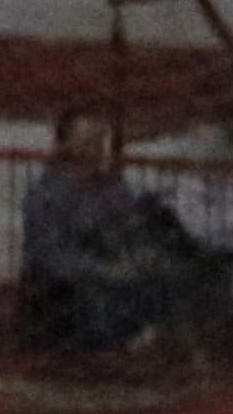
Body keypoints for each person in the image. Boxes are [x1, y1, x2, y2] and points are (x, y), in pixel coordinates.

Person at [14, 109, 211, 360]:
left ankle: (168, 341)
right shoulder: (45, 194)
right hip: (63, 285)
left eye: (98, 140)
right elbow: (50, 255)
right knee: (101, 289)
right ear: (64, 144)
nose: (94, 149)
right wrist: (101, 268)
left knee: (162, 270)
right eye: (85, 141)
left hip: (112, 266)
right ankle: (120, 343)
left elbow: (131, 221)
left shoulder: (109, 186)